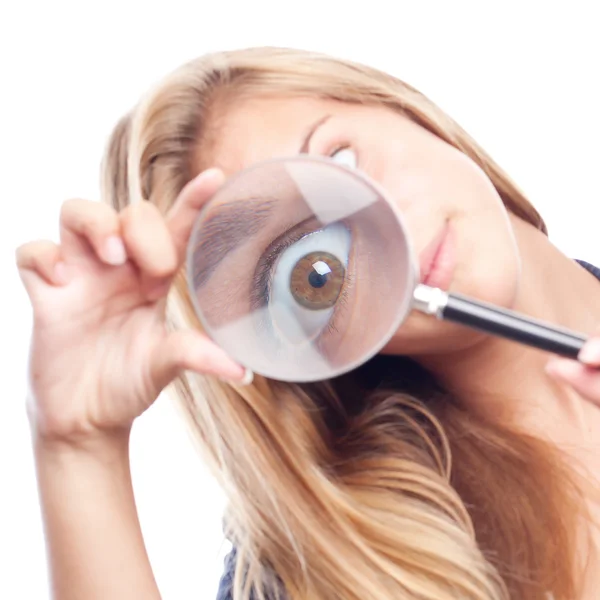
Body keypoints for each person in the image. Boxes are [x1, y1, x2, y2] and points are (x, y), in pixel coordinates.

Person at [15, 47, 600, 600]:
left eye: (340, 162)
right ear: (303, 347)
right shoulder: (326, 563)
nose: (382, 232)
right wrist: (78, 446)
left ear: (403, 108)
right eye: (312, 273)